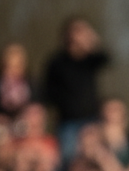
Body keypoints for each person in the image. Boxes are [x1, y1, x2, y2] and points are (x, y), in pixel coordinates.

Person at [42, 16, 110, 162]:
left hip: (92, 120)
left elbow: (106, 58)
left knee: (96, 159)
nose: (80, 35)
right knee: (69, 160)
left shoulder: (90, 60)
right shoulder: (57, 62)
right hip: (68, 122)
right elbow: (48, 92)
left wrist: (92, 40)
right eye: (77, 30)